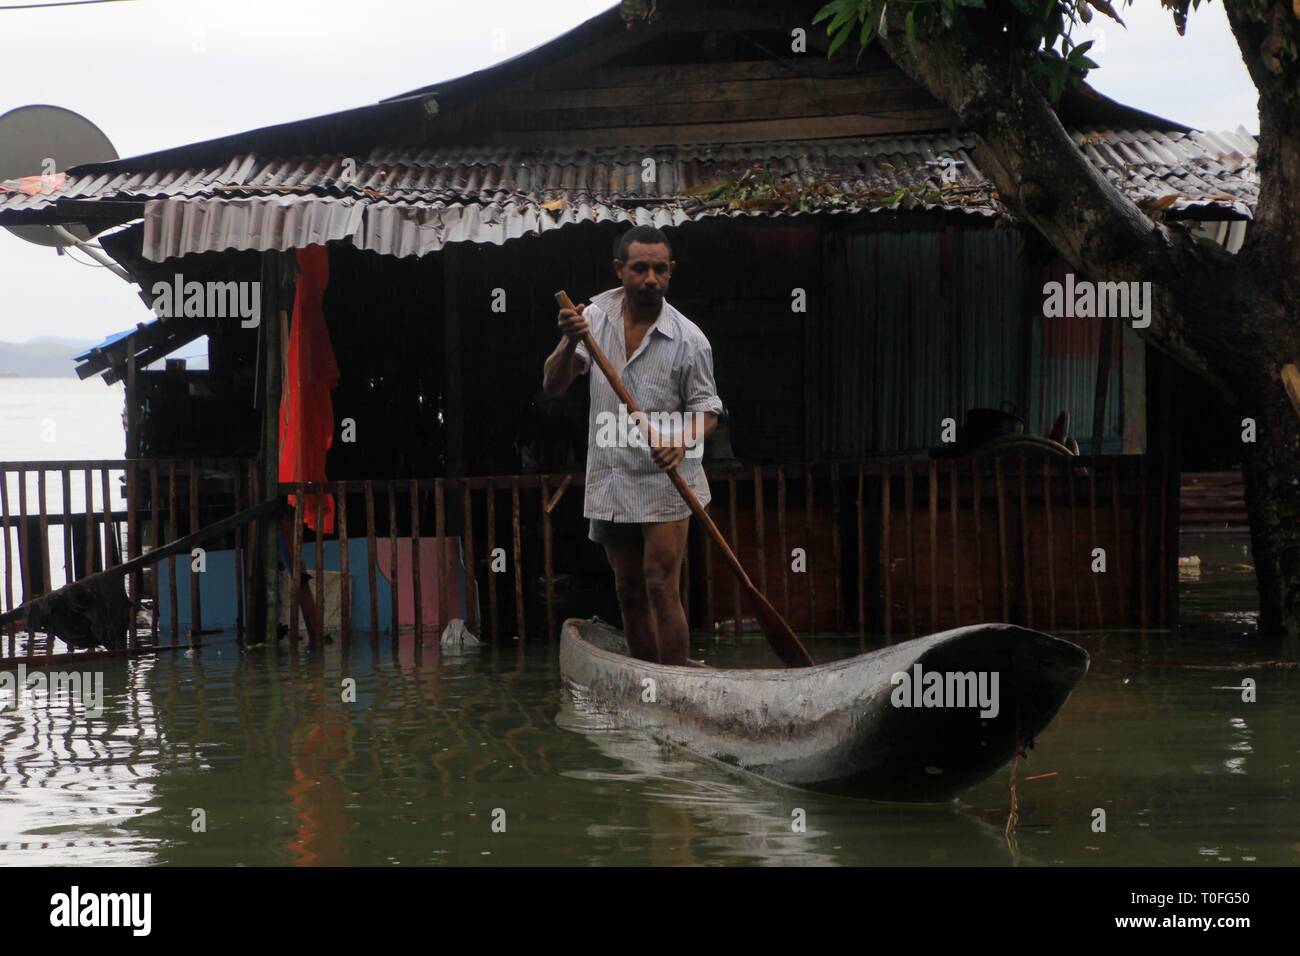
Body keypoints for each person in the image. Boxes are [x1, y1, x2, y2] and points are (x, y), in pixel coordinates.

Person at [542, 225, 722, 664]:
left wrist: (682, 442)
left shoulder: (689, 339)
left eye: (660, 269)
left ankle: (677, 686)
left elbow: (708, 410)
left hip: (667, 477)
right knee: (629, 589)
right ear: (619, 269)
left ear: (671, 271)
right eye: (640, 268)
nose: (651, 279)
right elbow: (553, 385)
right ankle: (645, 682)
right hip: (613, 474)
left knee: (661, 584)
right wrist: (569, 340)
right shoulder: (593, 320)